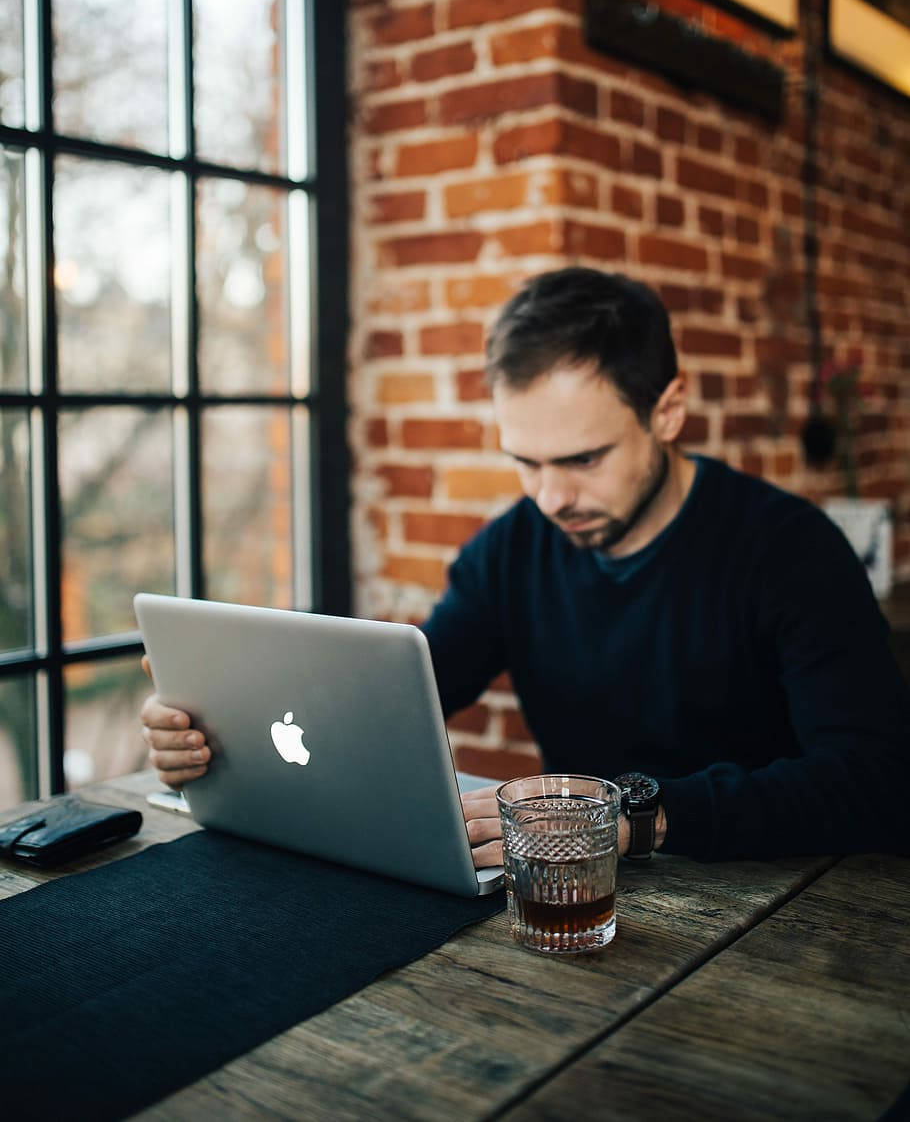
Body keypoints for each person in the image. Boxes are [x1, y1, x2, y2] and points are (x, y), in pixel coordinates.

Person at [141, 268, 910, 866]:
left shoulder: (790, 549)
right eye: (525, 461)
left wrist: (638, 816)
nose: (550, 497)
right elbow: (403, 691)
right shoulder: (509, 551)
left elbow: (879, 779)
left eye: (582, 458)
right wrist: (225, 733)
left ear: (667, 412)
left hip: (793, 909)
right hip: (575, 897)